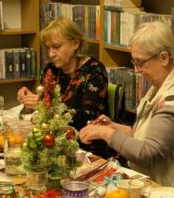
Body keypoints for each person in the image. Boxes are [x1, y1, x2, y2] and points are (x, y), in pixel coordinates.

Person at [79, 21, 174, 189]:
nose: (137, 70)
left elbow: (147, 153)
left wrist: (105, 133)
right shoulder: (160, 86)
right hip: (150, 181)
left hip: (167, 191)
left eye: (140, 62)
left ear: (163, 58)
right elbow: (144, 135)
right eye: (134, 62)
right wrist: (114, 127)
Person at [18, 17, 108, 153]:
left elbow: (86, 120)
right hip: (53, 142)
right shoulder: (51, 69)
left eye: (56, 47)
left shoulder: (94, 71)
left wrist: (44, 105)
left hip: (85, 147)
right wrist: (29, 103)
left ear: (75, 43)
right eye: (47, 48)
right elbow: (44, 113)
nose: (51, 54)